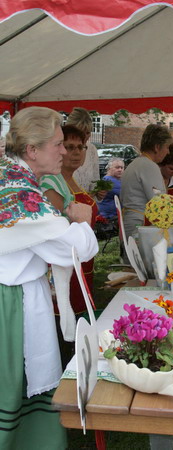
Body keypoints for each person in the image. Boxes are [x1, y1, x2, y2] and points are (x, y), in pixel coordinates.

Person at [0, 106, 98, 450]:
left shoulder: (8, 178)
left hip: (10, 294)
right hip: (10, 304)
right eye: (57, 144)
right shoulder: (24, 197)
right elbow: (77, 249)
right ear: (32, 150)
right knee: (12, 386)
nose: (63, 151)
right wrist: (81, 219)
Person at [40, 125, 98, 317]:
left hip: (84, 263)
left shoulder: (72, 181)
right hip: (65, 266)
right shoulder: (52, 184)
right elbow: (60, 231)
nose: (76, 153)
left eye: (80, 147)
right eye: (69, 146)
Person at [120, 124, 172, 239]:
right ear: (157, 147)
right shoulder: (149, 166)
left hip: (131, 221)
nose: (168, 152)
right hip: (139, 224)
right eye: (167, 147)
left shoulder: (136, 163)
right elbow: (159, 201)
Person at [66, 107, 100, 193]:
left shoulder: (92, 150)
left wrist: (98, 193)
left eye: (88, 132)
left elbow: (95, 185)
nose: (84, 137)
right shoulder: (60, 150)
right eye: (80, 132)